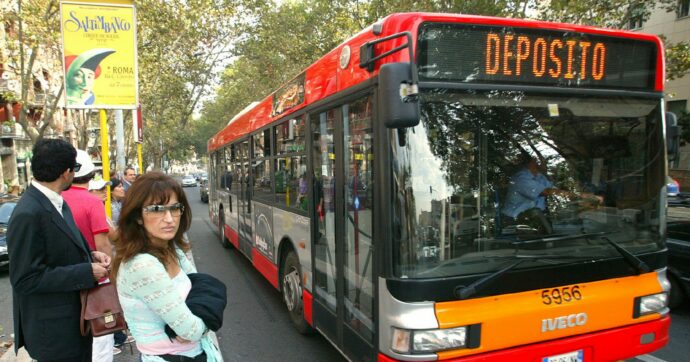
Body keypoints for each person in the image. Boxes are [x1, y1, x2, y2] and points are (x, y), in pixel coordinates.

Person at [8, 138, 111, 362]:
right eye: (74, 169)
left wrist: (90, 254)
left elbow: (60, 247)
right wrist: (86, 272)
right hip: (53, 334)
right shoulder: (29, 212)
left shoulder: (55, 201)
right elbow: (25, 279)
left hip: (72, 324)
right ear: (66, 173)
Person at [112, 172, 222, 362]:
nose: (169, 219)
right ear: (138, 216)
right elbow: (192, 330)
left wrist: (201, 322)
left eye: (174, 208)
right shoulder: (141, 265)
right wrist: (205, 324)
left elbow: (203, 287)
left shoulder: (172, 250)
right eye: (157, 209)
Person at [62, 150, 118, 360]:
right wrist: (110, 277)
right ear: (91, 175)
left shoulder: (54, 199)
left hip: (65, 280)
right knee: (101, 336)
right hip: (94, 278)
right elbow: (103, 244)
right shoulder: (93, 202)